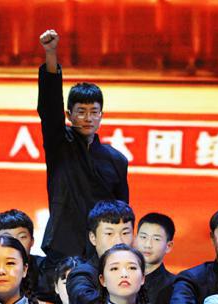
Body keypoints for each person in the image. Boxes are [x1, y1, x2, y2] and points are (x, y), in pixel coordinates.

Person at [37, 29, 129, 262]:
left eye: (93, 112)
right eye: (81, 112)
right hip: (62, 247)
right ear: (69, 115)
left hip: (101, 251)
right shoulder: (60, 145)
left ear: (101, 116)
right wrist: (51, 54)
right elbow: (49, 107)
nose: (88, 118)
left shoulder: (117, 160)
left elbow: (123, 213)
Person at [64, 200, 135, 304]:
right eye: (109, 234)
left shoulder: (139, 272)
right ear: (93, 238)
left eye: (125, 233)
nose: (119, 241)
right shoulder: (82, 274)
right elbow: (85, 300)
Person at [0, 209, 54, 301]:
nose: (16, 243)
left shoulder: (47, 269)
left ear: (32, 241)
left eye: (22, 237)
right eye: (7, 237)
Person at [133, 212, 176, 304]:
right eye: (143, 237)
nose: (148, 245)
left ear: (168, 246)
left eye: (156, 239)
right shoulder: (120, 277)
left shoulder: (175, 286)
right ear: (135, 239)